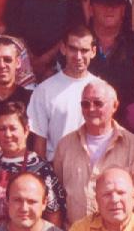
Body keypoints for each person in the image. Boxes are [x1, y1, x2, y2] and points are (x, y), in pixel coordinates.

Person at [53, 80, 134, 225]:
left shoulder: (133, 145)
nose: (91, 109)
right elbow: (57, 195)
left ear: (115, 106)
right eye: (85, 104)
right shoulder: (65, 145)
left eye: (98, 103)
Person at [0, 101, 64, 231]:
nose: (7, 134)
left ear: (26, 130)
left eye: (13, 128)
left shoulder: (40, 169)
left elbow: (54, 214)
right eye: (2, 129)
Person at [26, 27, 102, 161]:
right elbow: (40, 142)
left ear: (93, 52)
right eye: (73, 49)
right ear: (63, 49)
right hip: (56, 167)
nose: (78, 56)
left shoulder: (102, 89)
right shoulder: (44, 91)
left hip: (93, 167)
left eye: (84, 50)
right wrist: (42, 171)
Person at [87, 0, 134, 97]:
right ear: (91, 9)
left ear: (123, 10)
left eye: (115, 5)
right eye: (103, 4)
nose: (109, 9)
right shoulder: (78, 42)